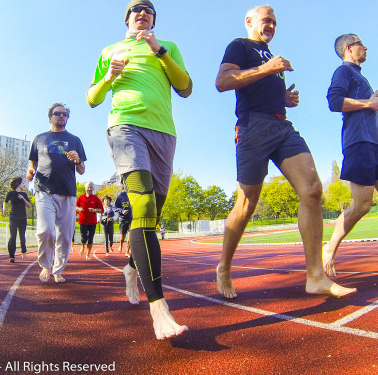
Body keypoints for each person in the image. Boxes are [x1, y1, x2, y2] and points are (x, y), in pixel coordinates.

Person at [214, 5, 356, 300]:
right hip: (252, 127)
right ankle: (224, 267)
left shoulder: (269, 54)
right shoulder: (239, 46)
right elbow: (223, 82)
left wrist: (284, 98)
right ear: (249, 21)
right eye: (267, 21)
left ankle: (315, 276)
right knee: (246, 204)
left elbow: (263, 89)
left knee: (313, 189)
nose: (272, 26)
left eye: (275, 23)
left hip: (282, 127)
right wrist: (267, 68)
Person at [87, 0, 192, 339]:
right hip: (125, 127)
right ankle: (159, 308)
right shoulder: (110, 50)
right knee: (142, 206)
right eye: (136, 10)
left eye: (148, 10)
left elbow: (186, 88)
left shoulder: (168, 47)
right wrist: (109, 77)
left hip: (164, 133)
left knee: (153, 213)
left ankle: (132, 268)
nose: (142, 13)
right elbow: (92, 98)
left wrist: (158, 50)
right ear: (127, 19)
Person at [324, 34, 378, 276]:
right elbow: (334, 101)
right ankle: (329, 249)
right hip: (360, 143)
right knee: (363, 205)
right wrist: (368, 103)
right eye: (360, 43)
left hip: (375, 142)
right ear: (348, 48)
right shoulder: (343, 71)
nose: (365, 47)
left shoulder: (361, 76)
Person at [27, 103, 86, 283]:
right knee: (46, 232)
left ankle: (58, 270)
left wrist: (77, 161)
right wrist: (30, 171)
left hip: (67, 191)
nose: (62, 116)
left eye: (65, 114)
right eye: (58, 113)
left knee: (65, 236)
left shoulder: (75, 140)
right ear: (50, 117)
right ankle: (46, 265)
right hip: (44, 190)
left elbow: (82, 170)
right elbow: (32, 162)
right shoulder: (39, 138)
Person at [3, 177, 31, 263]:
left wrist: (23, 199)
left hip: (23, 218)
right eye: (22, 183)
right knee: (13, 236)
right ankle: (12, 256)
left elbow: (29, 206)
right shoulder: (11, 194)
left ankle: (23, 251)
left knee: (22, 236)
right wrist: (4, 209)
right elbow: (5, 202)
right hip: (13, 218)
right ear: (18, 184)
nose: (24, 184)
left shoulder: (24, 194)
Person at [76, 182, 103, 260]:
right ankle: (82, 246)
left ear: (93, 189)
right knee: (84, 238)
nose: (89, 189)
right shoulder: (81, 198)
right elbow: (76, 206)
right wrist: (78, 209)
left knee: (90, 239)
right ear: (85, 188)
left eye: (91, 187)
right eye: (88, 187)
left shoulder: (96, 199)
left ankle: (88, 254)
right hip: (83, 221)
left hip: (92, 222)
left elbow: (102, 210)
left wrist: (94, 210)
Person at [114, 191, 132, 257]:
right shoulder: (120, 196)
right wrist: (122, 211)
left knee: (130, 236)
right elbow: (114, 207)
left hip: (132, 219)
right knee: (122, 237)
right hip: (123, 219)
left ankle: (127, 251)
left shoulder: (134, 194)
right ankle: (120, 245)